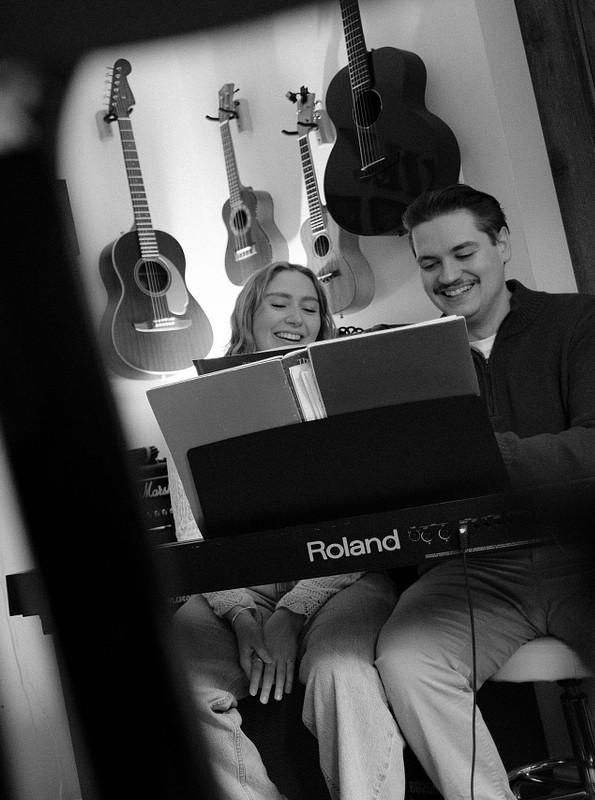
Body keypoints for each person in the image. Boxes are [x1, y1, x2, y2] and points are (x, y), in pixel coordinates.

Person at [374, 184, 595, 800]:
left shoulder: (583, 321)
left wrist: (481, 458)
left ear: (502, 244)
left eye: (464, 253)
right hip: (474, 569)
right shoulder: (406, 362)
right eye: (429, 263)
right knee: (406, 659)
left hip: (588, 555)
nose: (448, 276)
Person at [168, 261, 405, 800]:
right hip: (234, 587)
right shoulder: (194, 402)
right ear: (248, 315)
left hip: (340, 578)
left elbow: (364, 524)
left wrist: (294, 612)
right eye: (279, 303)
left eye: (310, 307)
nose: (297, 317)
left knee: (341, 673)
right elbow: (192, 535)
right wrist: (240, 614)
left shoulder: (346, 394)